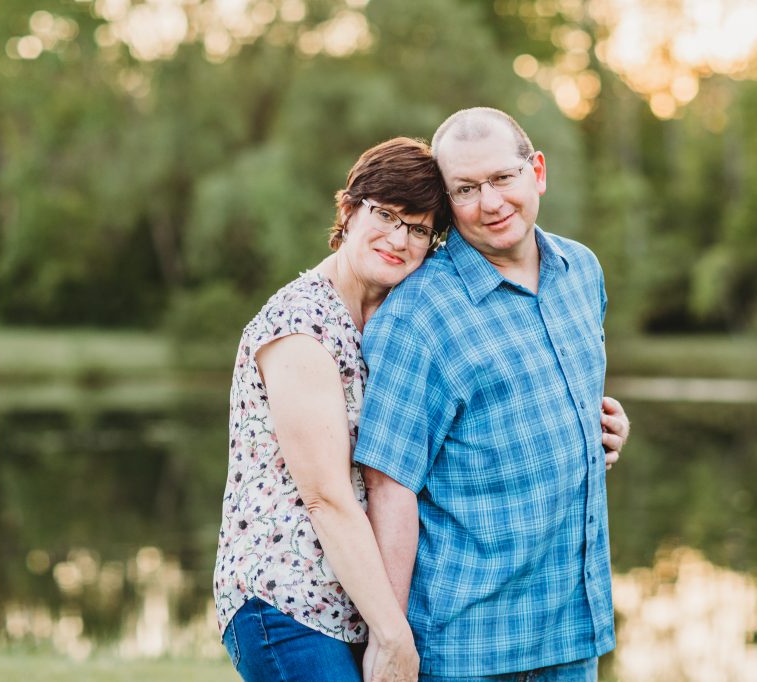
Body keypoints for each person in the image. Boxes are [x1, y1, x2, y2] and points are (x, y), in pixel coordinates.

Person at [354, 108, 629, 681]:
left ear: (538, 172)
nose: (490, 202)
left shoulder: (583, 271)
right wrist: (390, 638)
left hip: (574, 631)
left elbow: (559, 395)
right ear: (448, 203)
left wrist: (598, 429)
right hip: (468, 646)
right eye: (466, 189)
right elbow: (390, 485)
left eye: (503, 178)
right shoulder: (419, 316)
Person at [213, 137, 449, 682]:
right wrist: (393, 636)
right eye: (386, 215)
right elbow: (325, 498)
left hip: (357, 605)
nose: (398, 239)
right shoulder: (300, 324)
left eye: (417, 229)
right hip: (286, 602)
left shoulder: (394, 319)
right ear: (347, 211)